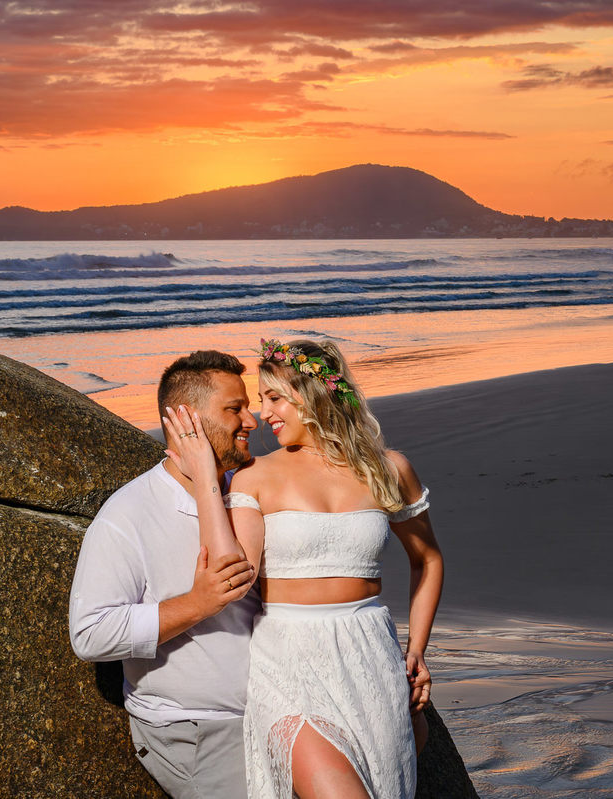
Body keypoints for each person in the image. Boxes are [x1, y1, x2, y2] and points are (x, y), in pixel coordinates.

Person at [164, 338, 443, 799]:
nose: (264, 414)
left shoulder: (388, 468)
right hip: (288, 663)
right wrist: (204, 480)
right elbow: (234, 574)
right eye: (260, 401)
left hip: (369, 651)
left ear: (314, 393)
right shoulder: (256, 475)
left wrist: (418, 648)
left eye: (275, 398)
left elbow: (428, 558)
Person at [69, 350, 261, 799]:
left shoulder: (248, 490)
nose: (250, 421)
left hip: (276, 713)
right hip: (199, 730)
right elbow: (90, 634)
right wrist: (198, 603)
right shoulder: (130, 513)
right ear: (187, 420)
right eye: (235, 409)